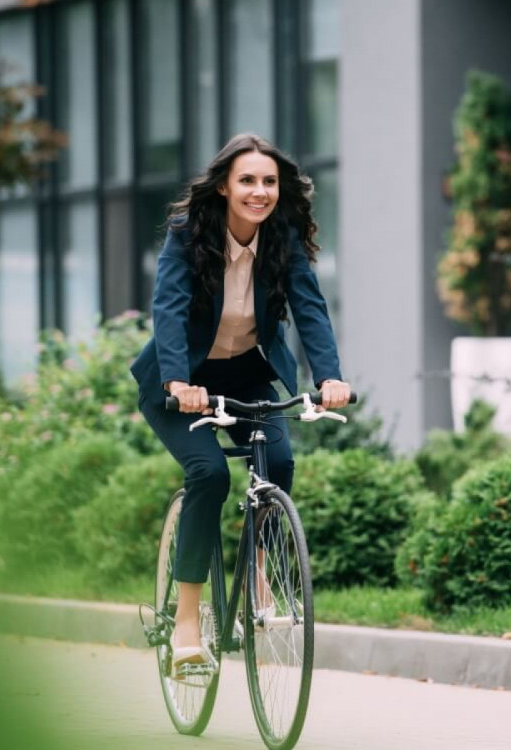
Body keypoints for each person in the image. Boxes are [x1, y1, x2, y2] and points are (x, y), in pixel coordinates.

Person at [130, 133, 351, 673]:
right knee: (209, 474)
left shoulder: (284, 237)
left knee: (278, 462)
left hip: (248, 376)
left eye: (269, 181)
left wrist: (329, 377)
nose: (260, 191)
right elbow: (171, 309)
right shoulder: (188, 236)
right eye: (247, 180)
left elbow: (310, 308)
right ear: (225, 187)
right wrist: (179, 383)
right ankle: (185, 624)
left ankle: (258, 567)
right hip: (181, 384)